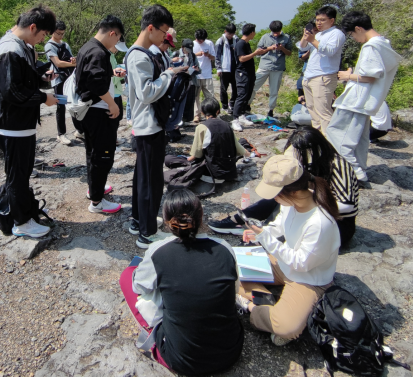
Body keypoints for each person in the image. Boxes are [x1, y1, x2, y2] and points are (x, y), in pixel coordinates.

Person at [120, 189, 244, 374]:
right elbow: (232, 291)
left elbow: (138, 286)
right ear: (201, 216)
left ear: (167, 221)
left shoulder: (158, 251)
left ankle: (154, 333)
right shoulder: (224, 248)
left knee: (127, 276)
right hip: (230, 352)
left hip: (181, 360)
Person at [235, 155, 341, 346]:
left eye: (276, 193)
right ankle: (268, 302)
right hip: (284, 265)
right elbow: (279, 226)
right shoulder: (292, 203)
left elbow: (300, 263)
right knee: (231, 269)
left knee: (286, 327)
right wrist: (260, 233)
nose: (273, 198)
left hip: (308, 279)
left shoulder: (319, 223)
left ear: (293, 191)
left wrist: (265, 238)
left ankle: (253, 306)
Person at [208, 126, 358, 246]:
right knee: (278, 195)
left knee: (286, 199)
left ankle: (265, 235)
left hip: (337, 224)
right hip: (307, 210)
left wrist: (307, 203)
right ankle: (241, 220)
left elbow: (348, 205)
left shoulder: (337, 165)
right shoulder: (309, 163)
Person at [0, 7, 59, 238]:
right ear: (32, 27)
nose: (42, 40)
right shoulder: (9, 49)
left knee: (22, 171)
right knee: (17, 175)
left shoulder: (21, 46)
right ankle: (21, 222)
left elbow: (21, 79)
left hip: (20, 124)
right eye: (43, 35)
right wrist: (44, 98)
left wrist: (41, 76)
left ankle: (25, 211)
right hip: (11, 125)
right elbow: (12, 91)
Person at [126, 5, 188, 249]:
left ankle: (138, 221)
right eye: (164, 32)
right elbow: (147, 93)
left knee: (143, 177)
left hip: (148, 125)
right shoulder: (139, 56)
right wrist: (169, 74)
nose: (165, 37)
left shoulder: (140, 53)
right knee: (150, 182)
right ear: (150, 28)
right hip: (148, 126)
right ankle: (147, 233)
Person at [326, 12, 402, 182]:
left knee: (335, 133)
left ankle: (355, 171)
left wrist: (347, 76)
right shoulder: (383, 43)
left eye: (352, 34)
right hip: (368, 100)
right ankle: (360, 168)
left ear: (358, 28)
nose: (353, 38)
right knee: (359, 139)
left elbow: (370, 76)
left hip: (357, 100)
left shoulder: (371, 47)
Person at [75, 15, 125, 215]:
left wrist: (112, 74)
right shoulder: (98, 51)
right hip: (98, 111)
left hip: (90, 111)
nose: (116, 44)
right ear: (112, 33)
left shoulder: (87, 47)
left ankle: (95, 188)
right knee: (103, 155)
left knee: (93, 152)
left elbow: (91, 77)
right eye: (118, 38)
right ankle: (97, 202)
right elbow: (95, 83)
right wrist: (112, 104)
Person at [297, 6, 346, 133]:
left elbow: (330, 51)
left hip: (323, 76)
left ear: (332, 20)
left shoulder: (336, 34)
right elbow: (302, 48)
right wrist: (306, 36)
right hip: (309, 76)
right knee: (312, 111)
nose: (319, 23)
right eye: (317, 20)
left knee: (323, 111)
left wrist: (313, 40)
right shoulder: (318, 34)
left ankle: (329, 140)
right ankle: (318, 138)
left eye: (322, 20)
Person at [180, 97, 248, 184]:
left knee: (169, 159)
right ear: (218, 111)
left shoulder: (201, 127)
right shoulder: (227, 125)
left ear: (202, 112)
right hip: (229, 173)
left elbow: (197, 154)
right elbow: (238, 148)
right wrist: (248, 153)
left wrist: (186, 160)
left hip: (210, 175)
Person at [249, 21, 292, 118]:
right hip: (264, 66)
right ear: (270, 30)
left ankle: (271, 110)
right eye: (274, 32)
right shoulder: (265, 37)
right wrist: (269, 48)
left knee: (274, 91)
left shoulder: (286, 37)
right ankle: (247, 104)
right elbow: (258, 51)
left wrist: (282, 48)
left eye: (277, 32)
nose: (276, 34)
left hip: (278, 67)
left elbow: (289, 53)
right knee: (253, 85)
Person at [231, 23, 267, 132]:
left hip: (250, 73)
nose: (255, 34)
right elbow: (241, 59)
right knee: (241, 95)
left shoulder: (246, 43)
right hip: (242, 73)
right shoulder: (240, 44)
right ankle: (235, 120)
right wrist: (255, 53)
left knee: (247, 94)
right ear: (251, 32)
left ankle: (242, 116)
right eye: (254, 32)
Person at [44, 21, 76, 145]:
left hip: (69, 79)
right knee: (61, 106)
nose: (61, 36)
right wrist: (73, 64)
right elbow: (58, 63)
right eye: (58, 33)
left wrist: (73, 60)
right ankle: (61, 134)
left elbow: (70, 59)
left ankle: (79, 130)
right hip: (58, 80)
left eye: (63, 33)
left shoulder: (65, 44)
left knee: (74, 103)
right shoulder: (49, 46)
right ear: (52, 32)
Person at [193, 29, 216, 122]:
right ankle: (196, 115)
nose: (201, 41)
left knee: (210, 96)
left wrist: (208, 55)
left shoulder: (209, 43)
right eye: (199, 39)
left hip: (207, 74)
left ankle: (211, 113)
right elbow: (187, 57)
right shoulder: (192, 44)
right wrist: (197, 54)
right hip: (196, 75)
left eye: (203, 39)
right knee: (196, 97)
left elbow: (214, 57)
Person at [176, 38, 201, 124]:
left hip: (191, 81)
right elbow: (172, 68)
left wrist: (196, 69)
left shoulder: (193, 56)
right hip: (180, 82)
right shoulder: (176, 54)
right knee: (180, 102)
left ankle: (187, 120)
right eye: (187, 49)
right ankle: (178, 120)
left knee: (190, 102)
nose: (188, 51)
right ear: (182, 47)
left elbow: (199, 70)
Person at [111, 36, 129, 146]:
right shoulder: (106, 56)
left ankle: (114, 137)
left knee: (118, 117)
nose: (117, 50)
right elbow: (110, 79)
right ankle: (112, 139)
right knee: (113, 118)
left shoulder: (112, 55)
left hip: (117, 91)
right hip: (112, 92)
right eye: (116, 48)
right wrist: (120, 75)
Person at [215, 23, 237, 113]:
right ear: (225, 31)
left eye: (232, 33)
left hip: (235, 67)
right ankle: (224, 105)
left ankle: (232, 103)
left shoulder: (236, 40)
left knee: (236, 87)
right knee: (224, 88)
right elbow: (217, 55)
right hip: (225, 68)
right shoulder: (220, 41)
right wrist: (218, 68)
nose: (231, 35)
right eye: (229, 33)